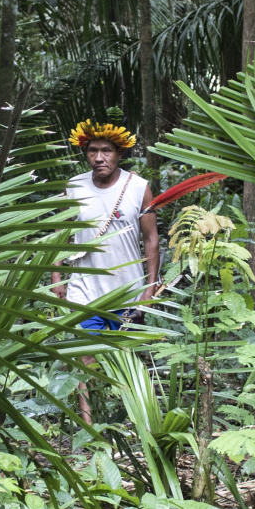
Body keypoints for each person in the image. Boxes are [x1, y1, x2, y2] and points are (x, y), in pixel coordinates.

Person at [50, 119, 161, 420]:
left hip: (127, 290)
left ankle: (130, 423)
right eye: (93, 151)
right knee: (84, 357)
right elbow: (61, 234)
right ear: (85, 153)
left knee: (124, 358)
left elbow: (151, 239)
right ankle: (89, 427)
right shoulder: (74, 186)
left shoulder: (138, 187)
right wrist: (57, 279)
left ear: (119, 153)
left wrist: (149, 287)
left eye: (107, 151)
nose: (99, 158)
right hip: (84, 288)